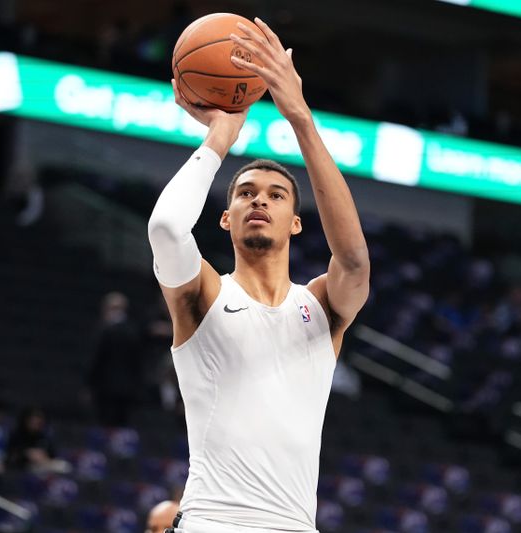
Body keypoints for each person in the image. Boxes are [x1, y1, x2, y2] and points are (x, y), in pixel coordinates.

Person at [147, 17, 370, 533]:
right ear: (226, 219)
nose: (259, 201)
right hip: (211, 522)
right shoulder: (202, 296)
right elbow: (165, 227)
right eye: (245, 193)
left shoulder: (321, 309)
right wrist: (223, 131)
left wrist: (300, 118)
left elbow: (355, 261)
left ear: (296, 222)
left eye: (275, 195)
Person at [87, 292, 142, 427]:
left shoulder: (104, 330)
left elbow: (96, 358)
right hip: (127, 389)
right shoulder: (133, 331)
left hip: (106, 388)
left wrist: (89, 383)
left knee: (107, 427)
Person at [6, 407, 71, 474]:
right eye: (32, 422)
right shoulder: (16, 435)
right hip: (25, 466)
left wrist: (44, 456)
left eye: (38, 423)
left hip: (44, 464)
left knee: (65, 466)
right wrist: (27, 453)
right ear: (26, 421)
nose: (35, 425)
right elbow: (11, 456)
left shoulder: (44, 436)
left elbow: (53, 454)